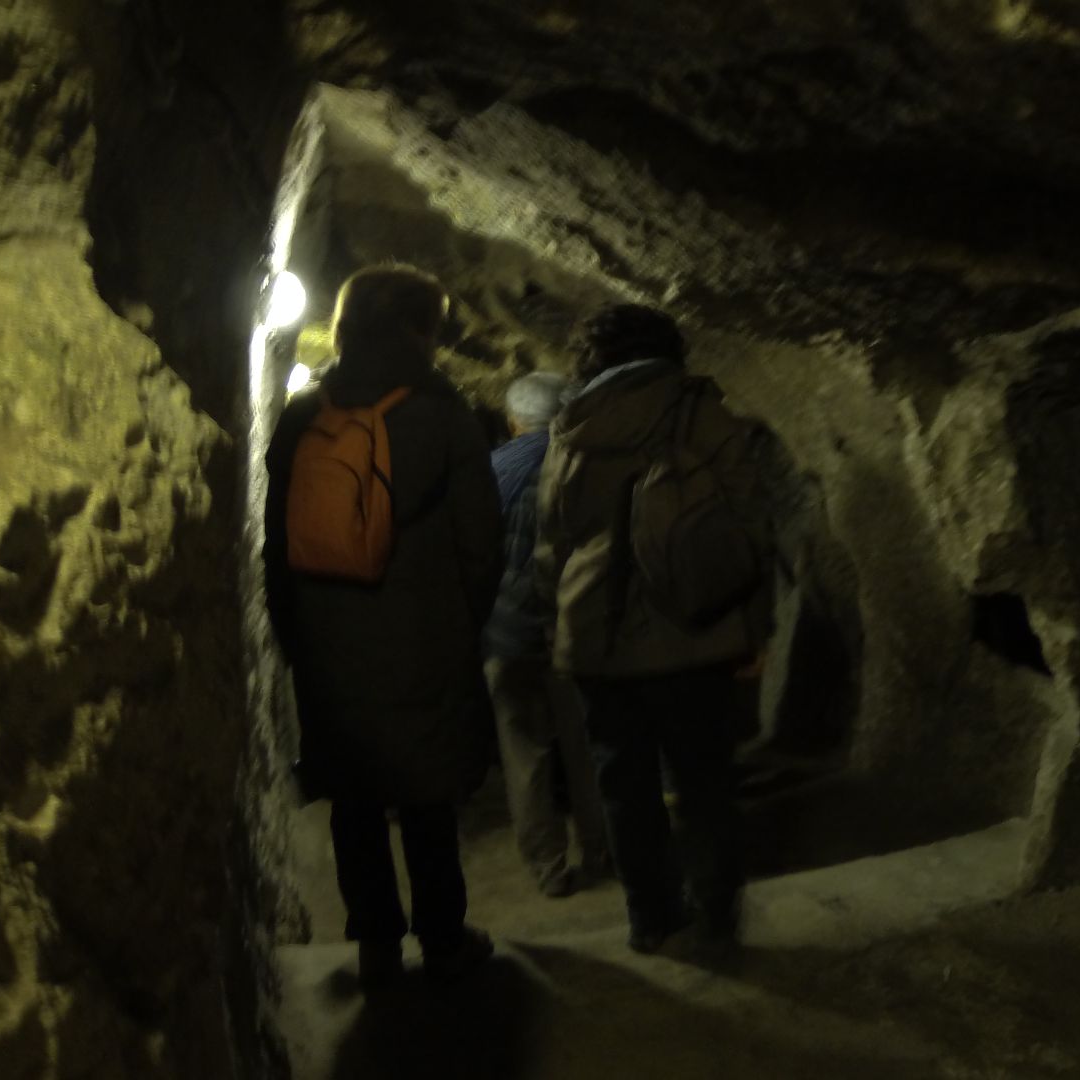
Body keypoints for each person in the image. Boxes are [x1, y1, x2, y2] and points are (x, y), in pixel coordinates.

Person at [262, 265, 503, 985]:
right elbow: (480, 542)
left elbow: (276, 539)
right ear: (419, 330)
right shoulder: (441, 411)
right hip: (424, 635)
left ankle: (374, 942)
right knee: (427, 802)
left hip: (329, 646)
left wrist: (293, 631)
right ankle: (441, 934)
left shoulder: (307, 414)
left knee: (355, 802)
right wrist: (463, 623)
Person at [532, 303, 772, 958]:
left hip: (596, 637)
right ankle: (716, 919)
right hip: (698, 629)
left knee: (624, 785)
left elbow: (553, 533)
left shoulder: (570, 427)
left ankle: (651, 919)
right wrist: (753, 632)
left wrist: (562, 621)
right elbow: (749, 529)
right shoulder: (702, 412)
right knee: (705, 783)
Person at [482, 371, 610, 898]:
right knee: (590, 746)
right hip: (577, 629)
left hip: (507, 635)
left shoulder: (489, 471)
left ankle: (549, 868)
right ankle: (607, 851)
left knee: (524, 752)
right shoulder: (587, 468)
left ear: (514, 420)